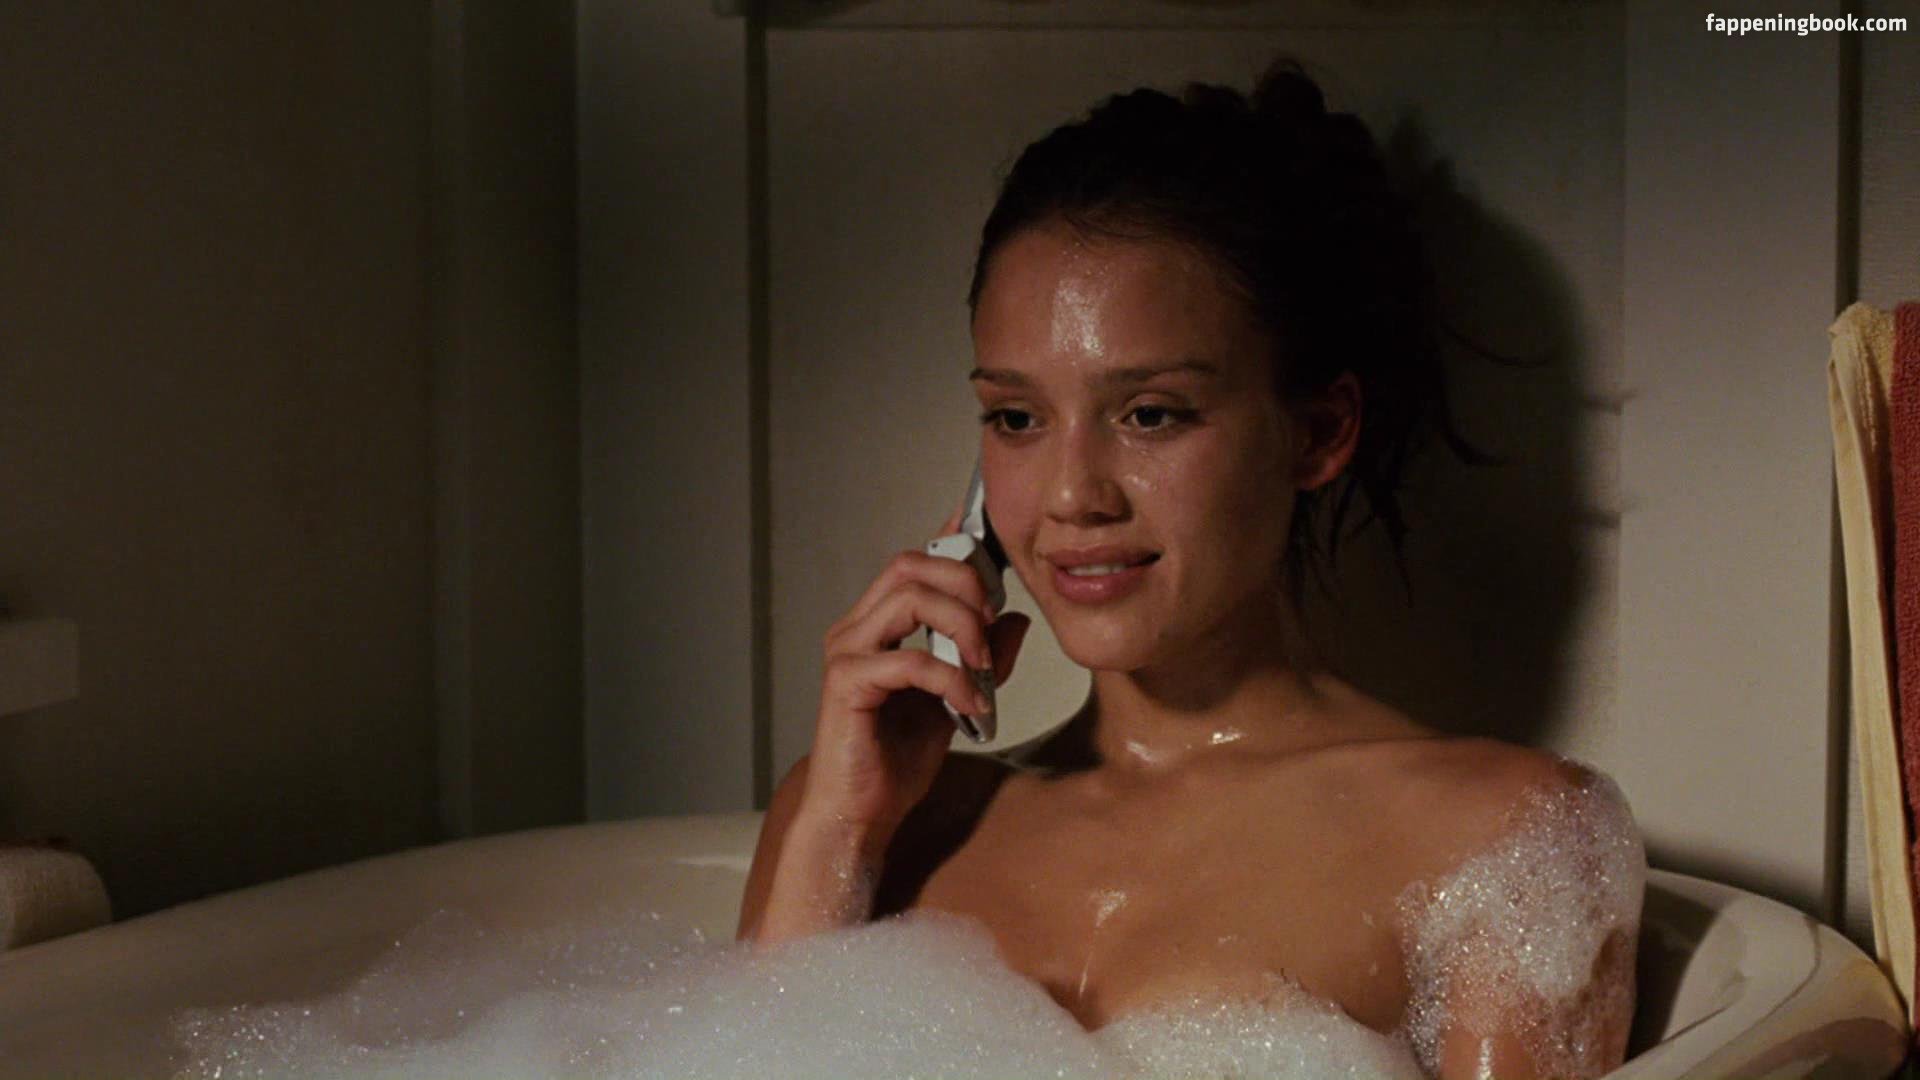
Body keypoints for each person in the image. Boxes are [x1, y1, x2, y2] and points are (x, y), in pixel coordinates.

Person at [736, 54, 1641, 1080]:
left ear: (1318, 432)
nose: (1073, 496)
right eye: (1017, 418)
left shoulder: (1501, 843)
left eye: (1150, 414)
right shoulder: (865, 813)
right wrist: (839, 833)